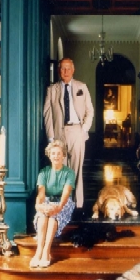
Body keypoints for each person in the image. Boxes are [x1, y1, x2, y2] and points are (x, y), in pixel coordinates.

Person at [43, 58, 94, 214]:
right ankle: (64, 203)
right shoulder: (52, 90)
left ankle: (78, 205)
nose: (65, 72)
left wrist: (84, 129)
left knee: (77, 169)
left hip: (77, 131)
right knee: (60, 169)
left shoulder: (82, 87)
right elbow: (47, 114)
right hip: (59, 134)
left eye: (68, 68)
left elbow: (89, 111)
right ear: (59, 71)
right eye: (62, 69)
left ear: (73, 70)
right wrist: (51, 137)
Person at [30, 140, 75, 268]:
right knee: (43, 216)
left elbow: (66, 194)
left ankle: (46, 251)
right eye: (53, 153)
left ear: (63, 155)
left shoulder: (69, 173)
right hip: (48, 200)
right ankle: (39, 251)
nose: (56, 156)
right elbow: (41, 194)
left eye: (59, 153)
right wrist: (39, 206)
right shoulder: (44, 172)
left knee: (53, 217)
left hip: (63, 202)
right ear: (49, 155)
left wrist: (59, 207)